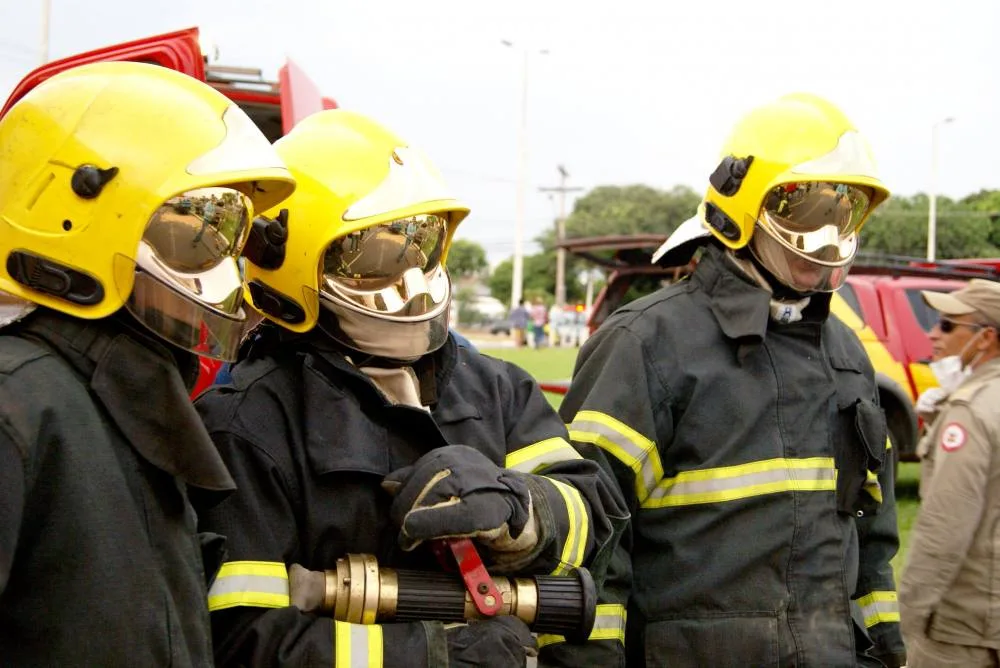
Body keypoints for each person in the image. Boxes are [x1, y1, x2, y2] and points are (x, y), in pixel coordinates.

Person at [194, 110, 627, 667]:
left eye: (422, 242)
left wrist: (525, 511)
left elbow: (595, 518)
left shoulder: (498, 389)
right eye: (376, 255)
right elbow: (243, 641)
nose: (414, 280)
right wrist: (430, 657)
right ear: (294, 267)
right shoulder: (246, 425)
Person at [546, 93, 906, 667]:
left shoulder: (844, 354)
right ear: (740, 203)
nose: (828, 235)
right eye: (805, 209)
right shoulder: (647, 344)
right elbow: (586, 541)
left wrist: (883, 646)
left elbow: (873, 529)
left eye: (845, 212)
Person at [0, 61, 294, 665]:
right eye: (199, 230)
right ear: (76, 214)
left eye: (231, 236)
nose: (224, 268)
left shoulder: (124, 397)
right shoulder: (18, 408)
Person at [899, 280, 1000, 667]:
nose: (932, 334)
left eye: (947, 325)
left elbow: (944, 530)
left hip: (962, 630)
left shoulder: (970, 412)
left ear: (985, 338)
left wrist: (906, 619)